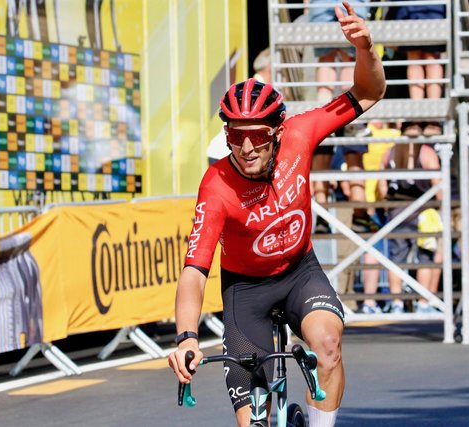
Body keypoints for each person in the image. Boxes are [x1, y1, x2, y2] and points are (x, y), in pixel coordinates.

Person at [168, 3, 386, 426]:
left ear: (278, 132)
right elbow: (194, 269)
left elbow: (368, 92)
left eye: (257, 135)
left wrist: (365, 49)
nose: (246, 148)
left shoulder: (300, 135)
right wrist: (186, 337)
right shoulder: (216, 185)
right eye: (235, 136)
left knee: (328, 345)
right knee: (253, 420)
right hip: (246, 290)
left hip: (299, 272)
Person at [307, 0, 379, 234]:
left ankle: (325, 217)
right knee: (348, 55)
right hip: (349, 106)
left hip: (331, 107)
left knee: (328, 57)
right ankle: (356, 215)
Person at [377, 142, 442, 313]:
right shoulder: (426, 151)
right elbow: (437, 183)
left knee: (396, 260)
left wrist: (387, 204)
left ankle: (396, 303)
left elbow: (381, 181)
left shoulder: (390, 151)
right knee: (425, 258)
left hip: (397, 211)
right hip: (423, 212)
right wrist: (441, 204)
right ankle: (423, 304)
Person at [390, 1, 446, 137]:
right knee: (414, 58)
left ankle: (433, 118)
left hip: (433, 8)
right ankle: (416, 118)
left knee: (432, 58)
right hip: (408, 8)